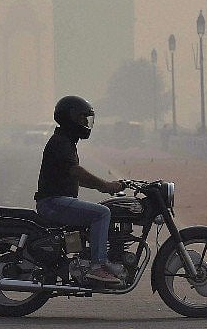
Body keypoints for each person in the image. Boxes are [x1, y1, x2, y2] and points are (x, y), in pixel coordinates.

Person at [34, 95, 126, 286]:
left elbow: (72, 176)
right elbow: (76, 172)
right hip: (52, 202)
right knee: (101, 213)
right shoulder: (61, 142)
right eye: (82, 118)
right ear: (71, 117)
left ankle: (94, 259)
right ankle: (97, 266)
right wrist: (106, 185)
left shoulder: (65, 141)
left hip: (55, 201)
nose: (85, 123)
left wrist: (105, 185)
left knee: (101, 212)